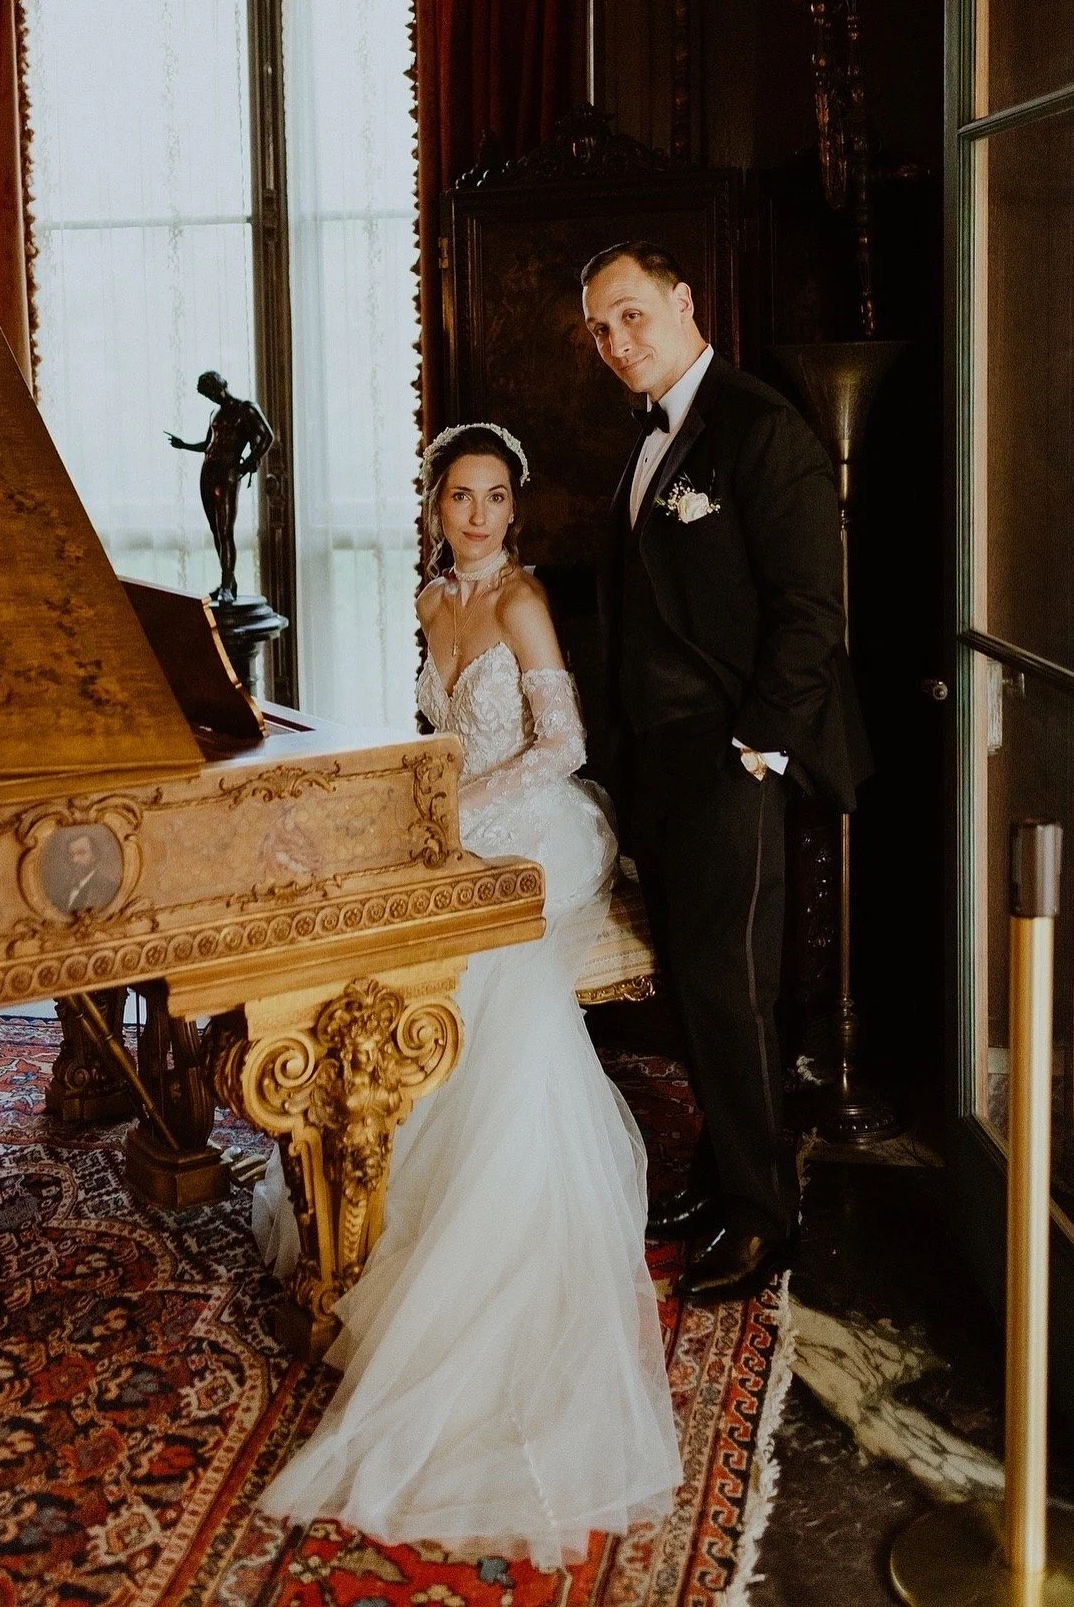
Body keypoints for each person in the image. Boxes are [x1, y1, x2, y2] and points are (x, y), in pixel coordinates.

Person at [254, 422, 681, 1569]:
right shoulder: (433, 598)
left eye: (496, 498)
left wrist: (462, 815)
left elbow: (563, 741)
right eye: (461, 496)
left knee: (490, 988)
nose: (479, 514)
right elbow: (434, 729)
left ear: (515, 512)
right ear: (436, 507)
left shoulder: (522, 604)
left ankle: (478, 1257)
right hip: (459, 817)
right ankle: (369, 1186)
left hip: (540, 827)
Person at [585, 240, 872, 1303]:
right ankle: (720, 1176)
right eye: (601, 331)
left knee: (733, 989)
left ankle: (766, 1218)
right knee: (700, 992)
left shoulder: (760, 427)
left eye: (631, 316)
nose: (618, 343)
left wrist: (758, 747)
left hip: (731, 758)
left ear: (684, 300)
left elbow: (811, 613)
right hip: (660, 764)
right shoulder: (646, 438)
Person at [165, 371, 275, 603]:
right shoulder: (215, 413)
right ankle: (229, 582)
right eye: (207, 395)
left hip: (227, 473)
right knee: (216, 530)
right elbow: (208, 444)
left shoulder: (246, 409)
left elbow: (266, 437)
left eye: (211, 392)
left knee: (225, 531)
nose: (211, 397)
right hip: (208, 472)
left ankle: (227, 584)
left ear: (221, 386)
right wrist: (184, 445)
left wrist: (250, 462)